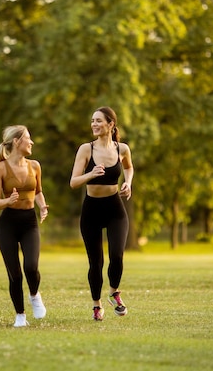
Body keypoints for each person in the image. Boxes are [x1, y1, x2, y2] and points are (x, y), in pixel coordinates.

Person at [70, 106, 134, 321]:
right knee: (95, 261)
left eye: (99, 121)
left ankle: (114, 292)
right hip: (92, 210)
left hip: (115, 208)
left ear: (110, 124)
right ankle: (96, 305)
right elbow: (73, 182)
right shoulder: (86, 149)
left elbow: (129, 167)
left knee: (117, 254)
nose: (94, 124)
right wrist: (91, 174)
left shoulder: (121, 148)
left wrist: (128, 182)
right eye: (92, 121)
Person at [0, 125, 49, 327]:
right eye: (28, 138)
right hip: (8, 223)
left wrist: (42, 206)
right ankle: (20, 316)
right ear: (17, 142)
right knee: (14, 273)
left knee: (31, 267)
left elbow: (38, 191)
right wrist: (8, 201)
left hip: (29, 223)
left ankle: (34, 294)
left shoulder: (35, 166)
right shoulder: (0, 168)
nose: (31, 142)